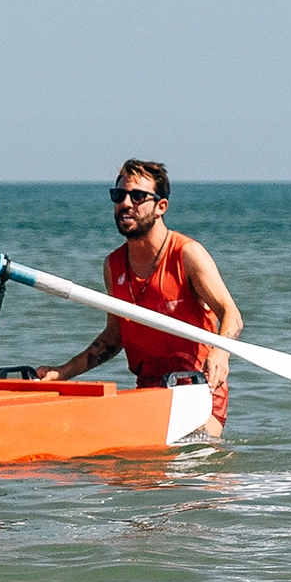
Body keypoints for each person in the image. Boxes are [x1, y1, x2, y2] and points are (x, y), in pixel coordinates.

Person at [37, 159, 241, 437]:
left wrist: (221, 352)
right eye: (119, 196)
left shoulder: (187, 255)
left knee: (190, 464)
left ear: (161, 207)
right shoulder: (113, 265)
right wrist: (62, 373)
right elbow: (114, 337)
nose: (125, 204)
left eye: (137, 196)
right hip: (147, 393)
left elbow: (232, 314)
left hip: (198, 392)